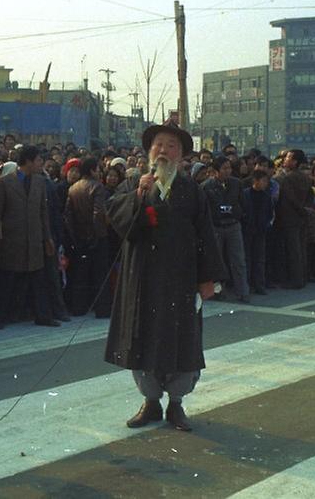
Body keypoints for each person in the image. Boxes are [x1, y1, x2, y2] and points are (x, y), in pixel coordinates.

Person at [105, 121, 224, 432]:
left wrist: (208, 277)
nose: (164, 150)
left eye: (171, 146)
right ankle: (150, 401)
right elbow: (118, 222)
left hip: (180, 282)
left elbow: (206, 236)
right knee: (141, 339)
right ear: (148, 151)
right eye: (158, 144)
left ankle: (176, 404)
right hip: (142, 280)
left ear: (182, 155)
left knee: (181, 341)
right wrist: (140, 196)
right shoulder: (134, 185)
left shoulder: (193, 192)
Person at [0, 145, 58, 328]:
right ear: (28, 161)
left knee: (38, 281)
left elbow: (43, 212)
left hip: (34, 240)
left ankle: (43, 317)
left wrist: (47, 237)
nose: (41, 164)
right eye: (38, 160)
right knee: (6, 281)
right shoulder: (4, 182)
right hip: (12, 240)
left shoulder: (39, 182)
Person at [63, 156, 112, 317]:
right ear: (92, 170)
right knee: (100, 274)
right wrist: (99, 234)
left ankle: (78, 308)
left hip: (79, 236)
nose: (100, 172)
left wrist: (74, 236)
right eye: (98, 169)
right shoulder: (97, 187)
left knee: (80, 274)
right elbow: (98, 213)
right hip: (96, 236)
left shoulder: (73, 188)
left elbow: (68, 217)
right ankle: (102, 309)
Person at [201, 156, 247, 302]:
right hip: (216, 226)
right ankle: (218, 291)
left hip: (233, 225)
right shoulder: (206, 187)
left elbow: (242, 203)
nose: (228, 171)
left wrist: (236, 212)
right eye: (224, 168)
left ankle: (242, 291)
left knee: (238, 260)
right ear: (215, 171)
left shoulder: (236, 184)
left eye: (229, 168)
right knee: (217, 260)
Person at [276, 149, 313, 288]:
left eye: (288, 158)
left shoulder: (286, 178)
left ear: (295, 161)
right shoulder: (306, 178)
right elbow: (310, 196)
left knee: (293, 250)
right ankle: (302, 278)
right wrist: (306, 210)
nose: (285, 160)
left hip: (290, 217)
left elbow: (291, 199)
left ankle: (295, 280)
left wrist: (301, 209)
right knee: (301, 249)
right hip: (302, 217)